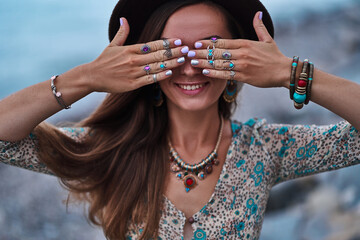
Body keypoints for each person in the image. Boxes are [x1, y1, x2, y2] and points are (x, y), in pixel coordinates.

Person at [0, 0, 359, 239]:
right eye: (171, 51)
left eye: (210, 49)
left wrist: (290, 72)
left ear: (239, 57)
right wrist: (88, 77)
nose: (189, 67)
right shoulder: (110, 148)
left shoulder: (266, 148)